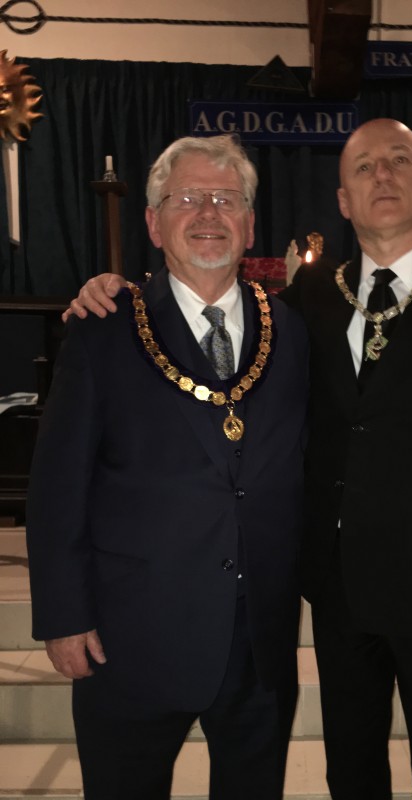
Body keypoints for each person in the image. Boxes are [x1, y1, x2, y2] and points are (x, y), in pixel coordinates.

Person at [65, 118, 412, 799]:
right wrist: (108, 286)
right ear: (342, 199)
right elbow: (188, 308)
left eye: (400, 160)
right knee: (350, 765)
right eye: (363, 167)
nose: (382, 174)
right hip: (336, 588)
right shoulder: (304, 305)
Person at [26, 134, 309, 800]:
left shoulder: (291, 331)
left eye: (226, 199)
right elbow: (57, 485)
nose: (208, 214)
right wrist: (64, 615)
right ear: (153, 222)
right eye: (187, 199)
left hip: (258, 642)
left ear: (250, 222)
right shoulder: (102, 327)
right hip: (131, 640)